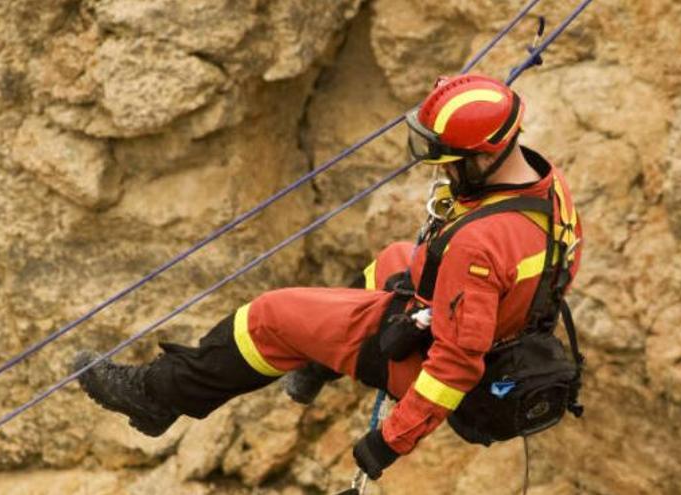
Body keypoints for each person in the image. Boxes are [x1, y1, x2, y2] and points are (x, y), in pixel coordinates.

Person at [74, 73, 582, 481]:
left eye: (451, 165)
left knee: (270, 318)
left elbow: (455, 369)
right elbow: (523, 272)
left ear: (487, 156)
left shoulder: (478, 246)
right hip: (501, 326)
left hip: (446, 365)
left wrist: (387, 443)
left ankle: (158, 396)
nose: (444, 174)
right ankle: (321, 362)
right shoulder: (546, 185)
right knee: (394, 259)